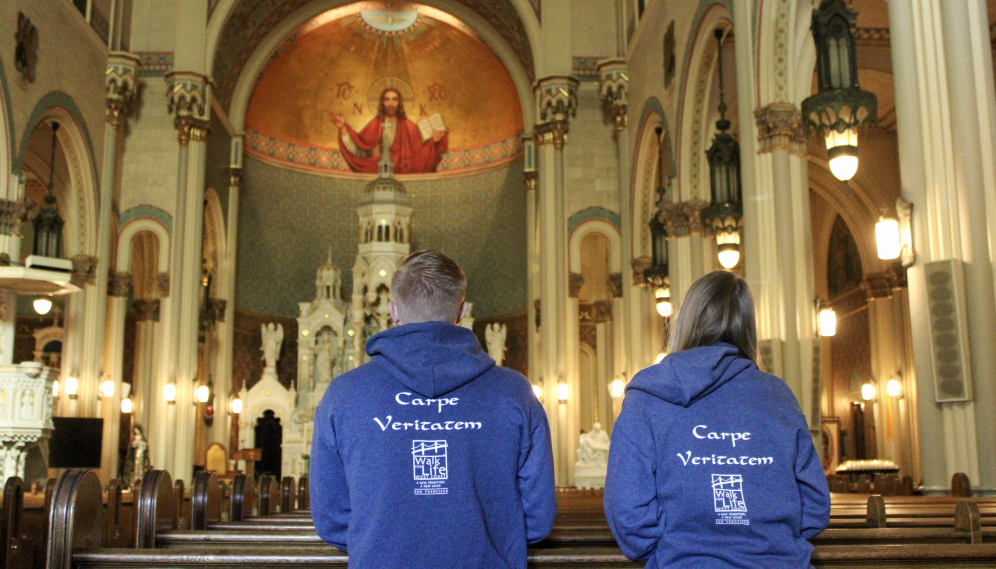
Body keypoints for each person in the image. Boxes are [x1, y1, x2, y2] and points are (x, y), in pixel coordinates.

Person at [311, 250, 556, 568]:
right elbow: (537, 518)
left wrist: (381, 540)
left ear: (393, 310)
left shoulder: (343, 395)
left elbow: (331, 519)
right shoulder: (515, 392)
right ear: (462, 310)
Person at [604, 270, 830, 569]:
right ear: (748, 327)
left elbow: (629, 513)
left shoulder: (647, 397)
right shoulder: (778, 396)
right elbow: (814, 506)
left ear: (686, 321)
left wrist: (674, 548)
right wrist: (769, 541)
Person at [331, 87, 448, 174]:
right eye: (387, 100)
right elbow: (360, 151)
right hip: (378, 170)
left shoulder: (408, 125)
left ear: (399, 102)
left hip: (402, 170)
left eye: (394, 99)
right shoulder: (374, 125)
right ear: (382, 102)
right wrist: (343, 129)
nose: (391, 103)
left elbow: (419, 156)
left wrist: (435, 141)